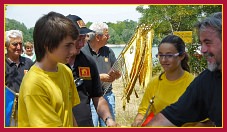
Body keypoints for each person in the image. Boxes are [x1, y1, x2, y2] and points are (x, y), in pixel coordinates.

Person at [146, 12, 222, 127]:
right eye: (201, 43)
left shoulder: (192, 80)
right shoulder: (206, 81)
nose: (203, 50)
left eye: (208, 42)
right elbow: (169, 117)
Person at [18, 11, 80, 127]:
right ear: (48, 45)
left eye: (73, 45)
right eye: (68, 45)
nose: (73, 51)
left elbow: (69, 113)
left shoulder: (65, 71)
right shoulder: (34, 84)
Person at [66, 14, 119, 127]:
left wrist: (108, 119)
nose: (82, 43)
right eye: (78, 39)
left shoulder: (88, 62)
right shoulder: (53, 64)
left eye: (84, 38)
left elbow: (97, 97)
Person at [131, 35, 195, 127]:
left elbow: (207, 122)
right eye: (161, 55)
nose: (164, 60)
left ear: (181, 56)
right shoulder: (154, 83)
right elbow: (143, 111)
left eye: (169, 55)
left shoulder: (193, 84)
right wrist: (137, 121)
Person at [81, 22, 121, 127]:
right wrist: (99, 77)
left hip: (107, 95)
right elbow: (78, 76)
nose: (109, 37)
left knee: (109, 125)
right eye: (106, 35)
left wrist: (115, 75)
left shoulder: (108, 51)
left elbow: (118, 71)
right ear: (98, 37)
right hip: (89, 98)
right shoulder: (82, 53)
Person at [5, 30, 34, 126]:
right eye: (15, 44)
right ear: (6, 45)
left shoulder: (28, 62)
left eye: (20, 44)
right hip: (8, 112)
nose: (18, 47)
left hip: (27, 110)